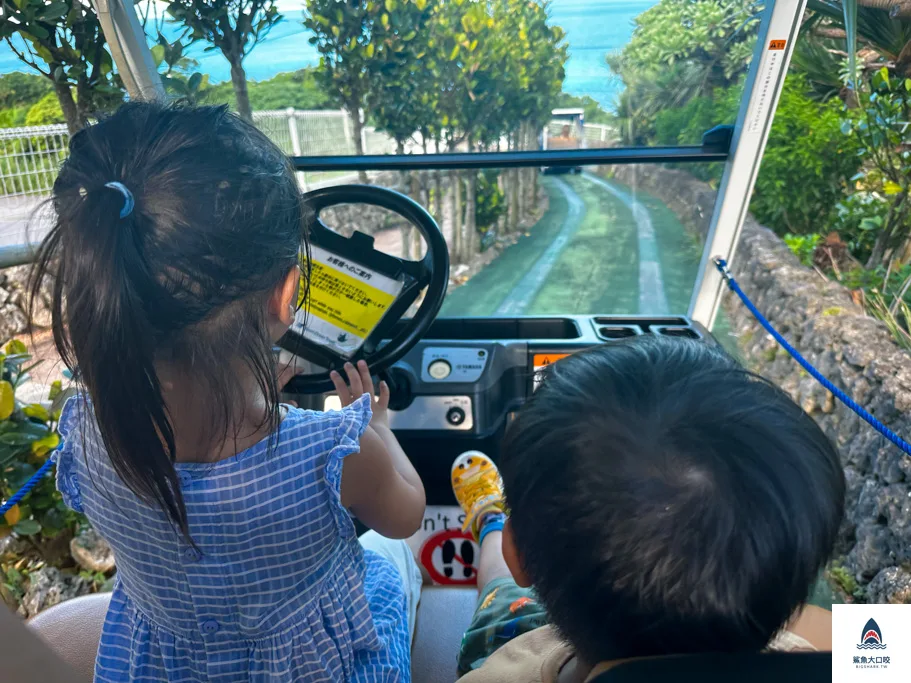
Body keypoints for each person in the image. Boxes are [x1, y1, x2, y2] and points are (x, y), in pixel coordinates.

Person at [29, 102, 425, 682]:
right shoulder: (337, 452)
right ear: (286, 293)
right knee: (390, 569)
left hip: (164, 663)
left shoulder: (86, 431)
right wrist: (377, 427)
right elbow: (405, 515)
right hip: (307, 668)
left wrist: (258, 404)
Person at [449, 336, 844, 682]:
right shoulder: (813, 653)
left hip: (532, 629)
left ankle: (490, 520)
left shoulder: (497, 675)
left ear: (520, 554)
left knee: (501, 598)